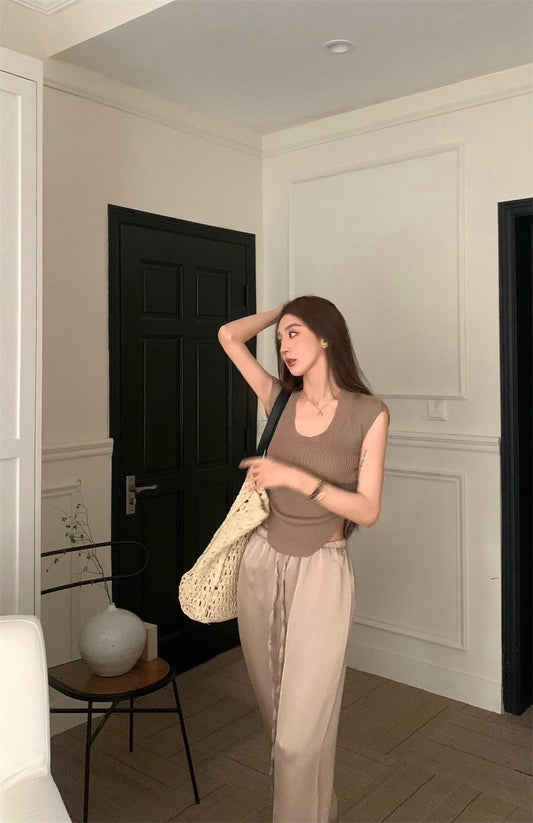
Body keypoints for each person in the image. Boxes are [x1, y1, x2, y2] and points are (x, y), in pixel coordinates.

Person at [218, 295, 389, 823]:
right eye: (279, 339)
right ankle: (318, 808)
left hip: (322, 570)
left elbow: (368, 509)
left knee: (298, 735)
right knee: (278, 718)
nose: (284, 347)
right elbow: (228, 336)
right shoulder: (279, 400)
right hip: (261, 562)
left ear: (326, 335)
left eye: (295, 334)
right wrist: (283, 312)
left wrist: (292, 477)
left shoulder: (369, 413)